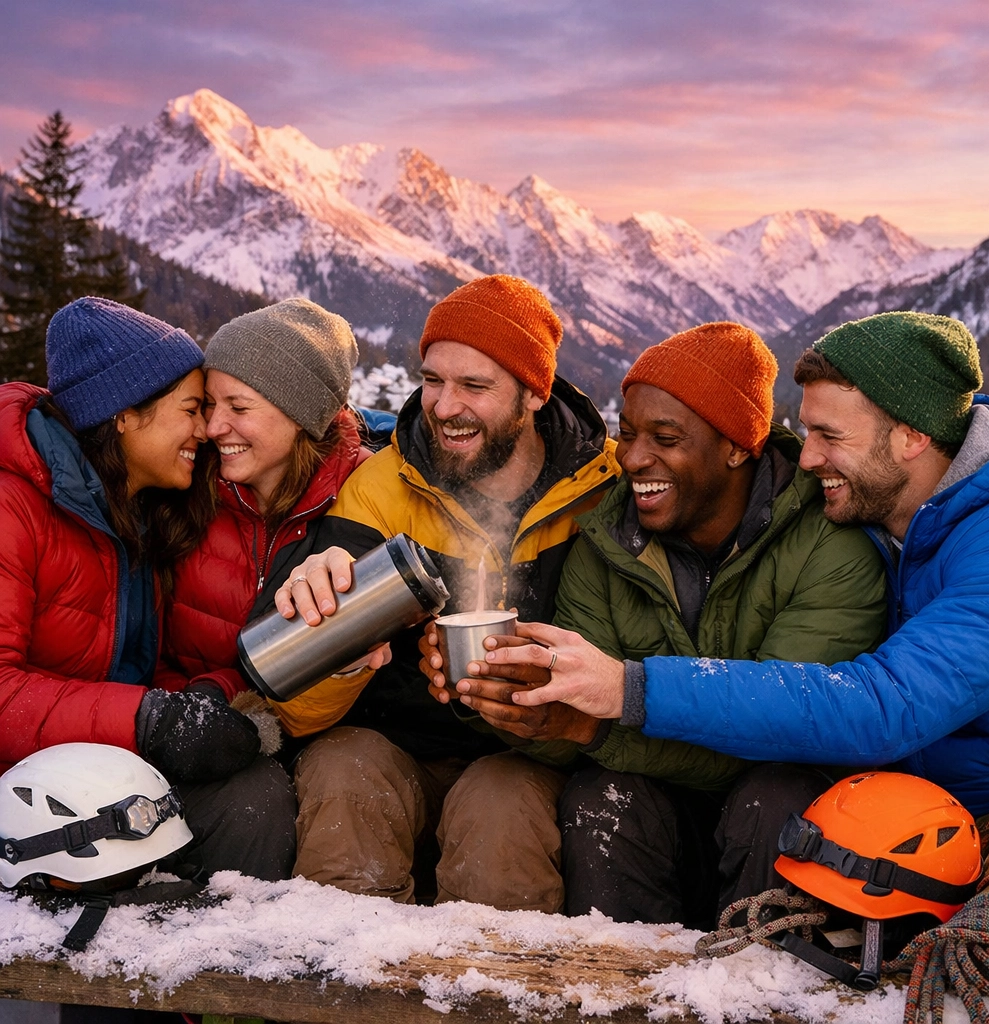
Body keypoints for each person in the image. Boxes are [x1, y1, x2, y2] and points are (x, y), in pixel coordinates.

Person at [489, 311, 989, 905]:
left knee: (779, 796)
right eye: (807, 432)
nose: (808, 457)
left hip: (982, 823)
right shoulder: (884, 514)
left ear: (912, 436)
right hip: (895, 812)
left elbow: (884, 706)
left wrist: (629, 688)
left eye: (831, 437)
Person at [429, 323, 888, 926]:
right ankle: (619, 992)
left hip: (777, 820)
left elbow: (787, 734)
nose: (633, 457)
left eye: (665, 438)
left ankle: (759, 988)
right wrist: (511, 702)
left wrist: (593, 727)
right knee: (603, 796)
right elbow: (571, 733)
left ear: (736, 446)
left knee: (775, 796)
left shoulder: (828, 547)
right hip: (661, 813)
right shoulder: (607, 544)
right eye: (628, 431)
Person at [261, 274, 618, 910]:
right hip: (393, 745)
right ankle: (341, 992)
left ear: (534, 393)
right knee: (344, 772)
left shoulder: (599, 489)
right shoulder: (382, 487)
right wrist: (336, 655)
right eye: (432, 380)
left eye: (474, 386)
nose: (445, 406)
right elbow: (292, 709)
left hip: (532, 756)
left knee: (500, 805)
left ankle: (491, 992)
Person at [0, 296, 287, 884]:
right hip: (28, 796)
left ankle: (228, 966)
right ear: (125, 415)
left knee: (252, 796)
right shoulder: (15, 508)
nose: (205, 431)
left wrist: (202, 700)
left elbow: (140, 670)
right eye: (190, 409)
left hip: (104, 770)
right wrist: (150, 721)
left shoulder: (139, 510)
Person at [163, 297, 370, 696]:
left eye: (239, 407)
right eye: (209, 404)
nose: (213, 427)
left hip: (319, 734)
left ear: (301, 415)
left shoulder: (364, 496)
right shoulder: (184, 488)